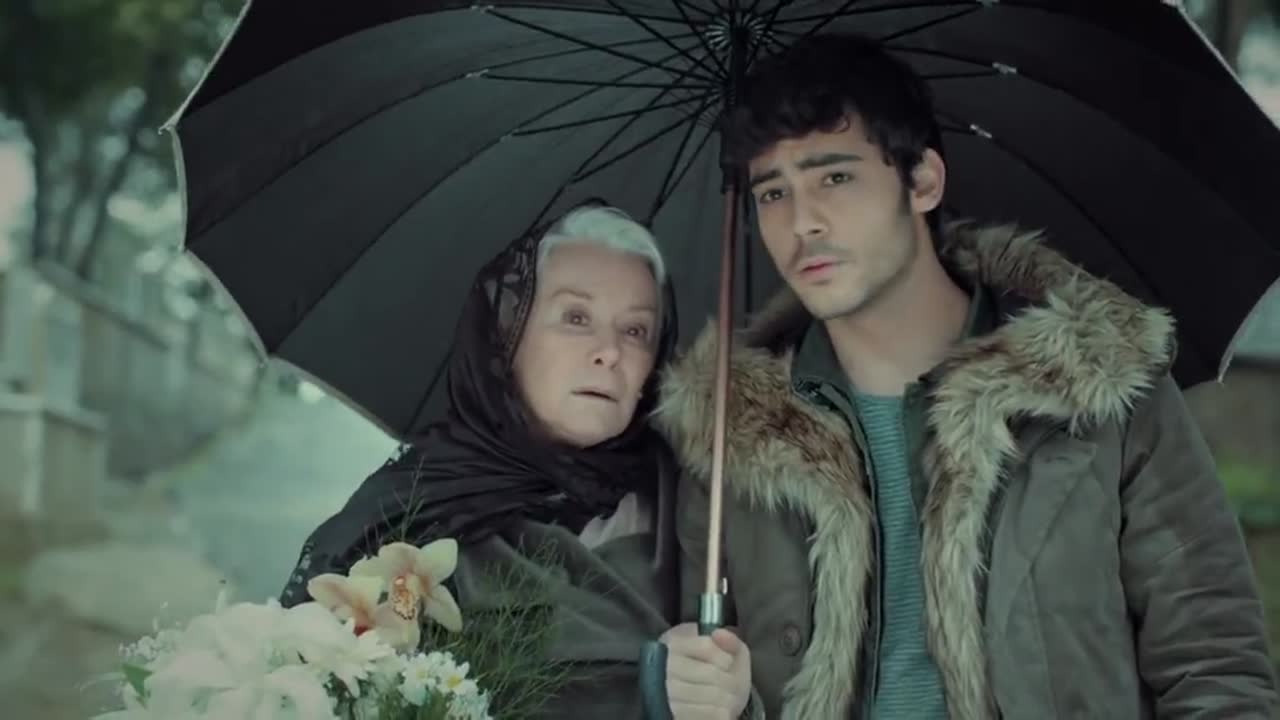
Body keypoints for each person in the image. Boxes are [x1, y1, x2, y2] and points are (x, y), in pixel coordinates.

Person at [656, 32, 1278, 719]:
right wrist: (697, 698)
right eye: (773, 192)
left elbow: (1215, 669)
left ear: (922, 181)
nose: (802, 222)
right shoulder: (730, 438)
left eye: (834, 178)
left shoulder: (1101, 395)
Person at [279, 199, 682, 718]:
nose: (611, 352)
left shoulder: (695, 514)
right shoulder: (415, 507)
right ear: (507, 334)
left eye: (636, 331)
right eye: (576, 317)